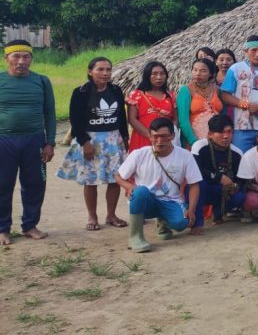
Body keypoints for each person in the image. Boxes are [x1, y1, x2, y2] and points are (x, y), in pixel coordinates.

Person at [58, 57, 130, 232]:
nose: (105, 73)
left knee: (115, 179)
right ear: (90, 71)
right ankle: (92, 216)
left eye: (108, 70)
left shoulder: (115, 90)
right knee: (90, 180)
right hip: (91, 140)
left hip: (114, 139)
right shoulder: (81, 92)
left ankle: (111, 215)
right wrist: (84, 142)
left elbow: (121, 116)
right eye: (100, 69)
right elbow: (75, 120)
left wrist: (125, 139)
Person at [116, 118, 201, 252]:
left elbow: (194, 184)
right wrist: (130, 187)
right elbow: (119, 176)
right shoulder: (140, 153)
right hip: (146, 200)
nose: (159, 141)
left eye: (164, 136)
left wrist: (191, 209)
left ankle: (163, 222)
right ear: (149, 136)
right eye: (155, 136)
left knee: (181, 223)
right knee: (140, 191)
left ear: (172, 136)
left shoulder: (185, 156)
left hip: (171, 200)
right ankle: (135, 237)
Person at [0, 40, 55, 246]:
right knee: (2, 185)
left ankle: (30, 225)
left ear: (31, 58)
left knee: (34, 184)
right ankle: (2, 228)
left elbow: (49, 113)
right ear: (6, 58)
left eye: (26, 57)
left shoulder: (41, 81)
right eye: (16, 56)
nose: (21, 61)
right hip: (4, 140)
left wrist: (50, 142)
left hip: (34, 141)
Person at [190, 114, 246, 233]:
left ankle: (219, 213)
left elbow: (240, 179)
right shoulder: (199, 146)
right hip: (203, 188)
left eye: (229, 132)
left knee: (240, 196)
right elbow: (196, 171)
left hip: (222, 190)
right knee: (199, 184)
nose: (226, 136)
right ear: (210, 134)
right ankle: (197, 223)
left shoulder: (237, 153)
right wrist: (219, 177)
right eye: (221, 132)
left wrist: (234, 186)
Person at [177, 58, 223, 148]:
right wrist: (194, 142)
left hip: (216, 139)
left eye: (203, 71)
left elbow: (223, 113)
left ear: (210, 74)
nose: (198, 73)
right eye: (195, 70)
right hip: (194, 140)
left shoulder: (217, 90)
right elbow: (183, 121)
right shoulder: (186, 90)